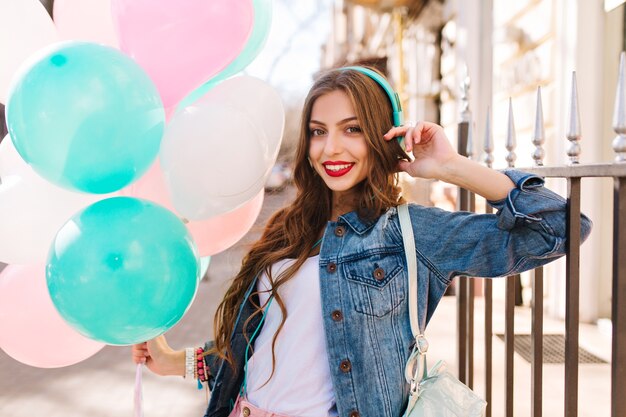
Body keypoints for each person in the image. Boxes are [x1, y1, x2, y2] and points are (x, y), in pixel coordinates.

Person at [131, 67, 592, 417]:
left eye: (352, 129)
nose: (332, 148)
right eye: (319, 131)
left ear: (379, 135)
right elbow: (264, 348)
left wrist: (452, 167)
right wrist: (175, 362)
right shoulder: (287, 232)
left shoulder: (413, 233)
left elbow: (558, 226)